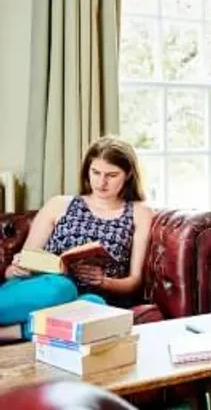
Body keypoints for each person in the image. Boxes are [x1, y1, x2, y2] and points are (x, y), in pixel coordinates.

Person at [0, 135, 154, 342]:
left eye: (112, 175)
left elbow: (134, 281)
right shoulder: (59, 204)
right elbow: (24, 261)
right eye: (96, 172)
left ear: (127, 175)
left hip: (90, 298)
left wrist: (105, 282)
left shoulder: (139, 212)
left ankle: (6, 334)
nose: (101, 182)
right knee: (63, 287)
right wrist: (16, 268)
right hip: (42, 287)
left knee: (95, 305)